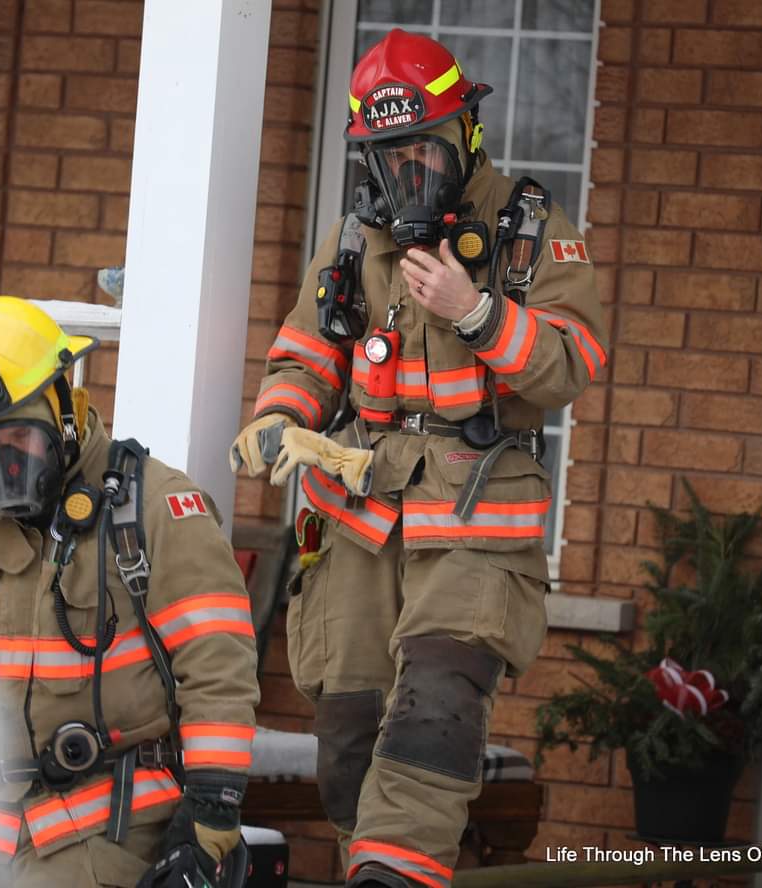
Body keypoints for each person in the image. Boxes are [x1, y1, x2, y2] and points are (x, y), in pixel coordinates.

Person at [230, 28, 607, 888]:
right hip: (362, 518)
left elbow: (572, 363)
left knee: (434, 713)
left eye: (425, 149)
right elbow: (306, 355)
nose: (410, 171)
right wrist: (279, 418)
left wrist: (478, 312)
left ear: (466, 133)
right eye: (390, 156)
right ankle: (377, 867)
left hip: (475, 517)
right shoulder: (354, 241)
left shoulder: (528, 228)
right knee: (350, 740)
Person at [0, 296, 260, 887]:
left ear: (65, 410)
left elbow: (218, 668)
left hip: (106, 829)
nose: (5, 466)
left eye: (19, 438)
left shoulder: (154, 506)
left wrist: (211, 812)